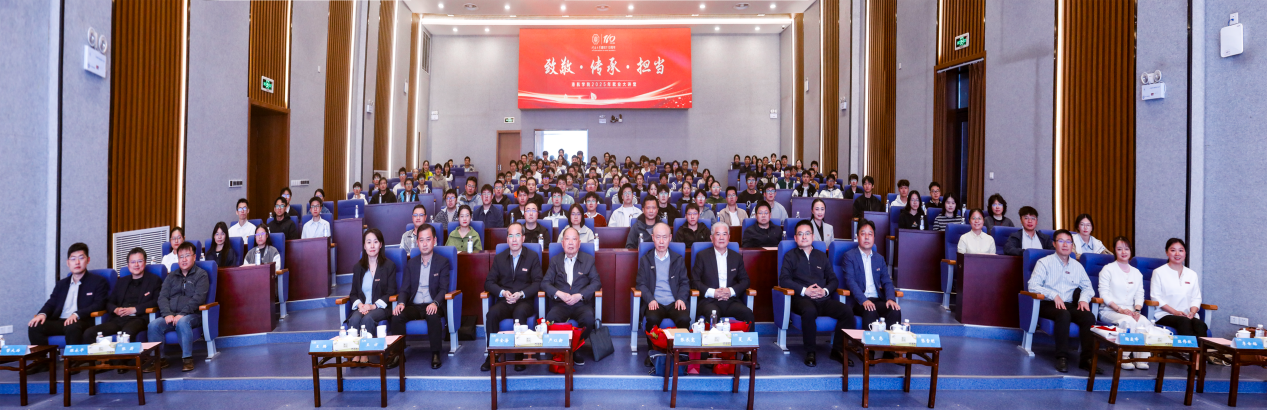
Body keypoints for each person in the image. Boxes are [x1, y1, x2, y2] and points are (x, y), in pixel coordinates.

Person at [780, 220, 854, 367]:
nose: (804, 237)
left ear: (813, 236)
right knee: (809, 310)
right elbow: (784, 280)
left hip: (823, 299)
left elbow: (833, 280)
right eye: (800, 234)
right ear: (795, 238)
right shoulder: (790, 256)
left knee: (846, 311)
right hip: (801, 299)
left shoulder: (821, 256)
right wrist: (805, 290)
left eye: (807, 233)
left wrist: (824, 291)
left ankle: (838, 350)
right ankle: (810, 352)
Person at [1027, 229, 1098, 374]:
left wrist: (1084, 299)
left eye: (1068, 242)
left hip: (1069, 304)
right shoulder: (1044, 262)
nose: (1065, 245)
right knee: (1063, 314)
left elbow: (1088, 288)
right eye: (1061, 241)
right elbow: (1032, 286)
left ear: (1072, 245)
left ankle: (1087, 360)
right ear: (1054, 244)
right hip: (1048, 303)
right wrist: (1053, 295)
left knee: (1088, 317)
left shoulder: (1077, 266)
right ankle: (1062, 357)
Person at [83, 247, 162, 374]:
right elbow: (109, 302)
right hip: (118, 319)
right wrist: (115, 309)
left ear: (145, 262)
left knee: (127, 333)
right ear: (128, 265)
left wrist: (135, 309)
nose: (136, 265)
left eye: (139, 261)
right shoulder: (122, 282)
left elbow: (157, 301)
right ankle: (104, 362)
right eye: (133, 262)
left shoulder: (154, 280)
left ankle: (121, 363)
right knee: (90, 333)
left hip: (139, 318)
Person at [28, 243, 109, 359]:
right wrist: (42, 314)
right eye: (73, 259)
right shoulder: (61, 284)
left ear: (88, 260)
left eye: (81, 258)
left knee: (72, 327)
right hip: (60, 321)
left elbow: (99, 304)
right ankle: (41, 362)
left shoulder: (98, 281)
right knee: (35, 326)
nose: (77, 262)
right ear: (68, 262)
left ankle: (73, 361)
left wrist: (77, 314)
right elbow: (51, 302)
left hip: (82, 321)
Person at [481, 223, 543, 372]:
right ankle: (492, 354)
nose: (514, 239)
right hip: (505, 300)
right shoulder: (500, 258)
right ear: (507, 239)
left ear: (523, 238)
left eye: (517, 235)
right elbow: (488, 282)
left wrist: (521, 294)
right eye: (511, 236)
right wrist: (503, 292)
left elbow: (538, 282)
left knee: (519, 313)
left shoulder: (532, 256)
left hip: (524, 301)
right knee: (492, 314)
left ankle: (519, 355)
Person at [389, 224, 450, 369]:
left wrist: (435, 303)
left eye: (428, 239)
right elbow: (404, 289)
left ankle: (435, 354)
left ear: (434, 240)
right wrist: (401, 303)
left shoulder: (442, 262)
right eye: (421, 240)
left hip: (433, 303)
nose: (425, 243)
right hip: (415, 305)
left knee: (433, 314)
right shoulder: (411, 264)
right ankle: (398, 354)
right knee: (397, 316)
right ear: (417, 242)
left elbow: (443, 289)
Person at [542, 227, 603, 365]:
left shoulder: (588, 260)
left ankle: (575, 348)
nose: (570, 243)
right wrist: (559, 294)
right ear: (562, 243)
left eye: (574, 239)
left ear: (579, 243)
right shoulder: (555, 260)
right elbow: (545, 283)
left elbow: (596, 283)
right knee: (550, 319)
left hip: (581, 304)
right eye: (567, 239)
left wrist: (580, 295)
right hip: (561, 304)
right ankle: (561, 349)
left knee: (589, 320)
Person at [146, 242, 210, 372]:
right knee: (153, 325)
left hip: (193, 315)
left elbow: (199, 298)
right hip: (172, 314)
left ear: (194, 257)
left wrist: (182, 314)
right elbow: (162, 297)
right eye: (181, 256)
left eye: (187, 255)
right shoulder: (171, 276)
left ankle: (187, 359)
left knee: (182, 322)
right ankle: (159, 360)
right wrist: (167, 313)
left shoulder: (201, 275)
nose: (184, 259)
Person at [844, 220, 902, 354]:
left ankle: (890, 353)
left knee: (894, 310)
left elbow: (887, 281)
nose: (866, 237)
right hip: (859, 301)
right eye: (863, 233)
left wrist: (890, 298)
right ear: (857, 236)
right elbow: (850, 282)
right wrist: (864, 300)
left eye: (870, 234)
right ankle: (869, 353)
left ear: (874, 237)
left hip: (877, 300)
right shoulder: (849, 256)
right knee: (870, 310)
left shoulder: (879, 258)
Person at [1097, 237, 1151, 370]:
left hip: (1131, 311)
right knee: (1128, 321)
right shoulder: (1107, 269)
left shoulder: (1136, 273)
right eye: (1119, 249)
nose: (1123, 252)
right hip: (1110, 310)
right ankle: (1124, 356)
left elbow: (1139, 295)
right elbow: (1104, 294)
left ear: (1130, 251)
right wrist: (1119, 309)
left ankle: (1141, 358)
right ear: (1114, 251)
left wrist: (1137, 311)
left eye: (1126, 249)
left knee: (1144, 321)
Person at [345, 229, 397, 363]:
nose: (372, 246)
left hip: (380, 308)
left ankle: (365, 353)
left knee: (368, 319)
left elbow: (391, 292)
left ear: (381, 244)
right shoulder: (358, 267)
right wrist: (361, 305)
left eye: (375, 242)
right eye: (369, 242)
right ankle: (355, 351)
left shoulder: (389, 266)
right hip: (363, 307)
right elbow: (353, 293)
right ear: (364, 245)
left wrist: (372, 306)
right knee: (354, 319)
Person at [691, 222, 755, 329]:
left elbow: (745, 281)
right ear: (711, 238)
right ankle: (713, 341)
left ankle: (749, 341)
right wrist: (713, 293)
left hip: (731, 300)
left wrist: (730, 291)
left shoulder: (736, 257)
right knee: (713, 315)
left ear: (729, 237)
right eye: (718, 234)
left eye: (724, 234)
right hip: (709, 301)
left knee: (747, 313)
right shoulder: (702, 256)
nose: (721, 238)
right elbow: (694, 281)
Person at [637, 223, 691, 342]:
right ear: (653, 238)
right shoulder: (646, 259)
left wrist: (681, 299)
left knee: (684, 319)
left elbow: (684, 282)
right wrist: (650, 299)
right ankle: (653, 350)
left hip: (674, 302)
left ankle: (680, 350)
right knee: (652, 319)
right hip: (655, 302)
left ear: (670, 238)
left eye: (665, 237)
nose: (661, 241)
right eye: (658, 237)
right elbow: (641, 284)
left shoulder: (678, 259)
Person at [1150, 238, 1209, 340]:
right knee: (1184, 322)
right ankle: (1188, 349)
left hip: (1188, 316)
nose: (1177, 254)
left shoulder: (1192, 274)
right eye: (1173, 250)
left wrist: (1192, 312)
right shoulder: (1158, 272)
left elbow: (1196, 298)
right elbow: (1156, 298)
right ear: (1167, 252)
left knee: (1201, 325)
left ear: (1185, 253)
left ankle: (1200, 351)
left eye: (1181, 250)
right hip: (1165, 315)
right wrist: (1175, 312)